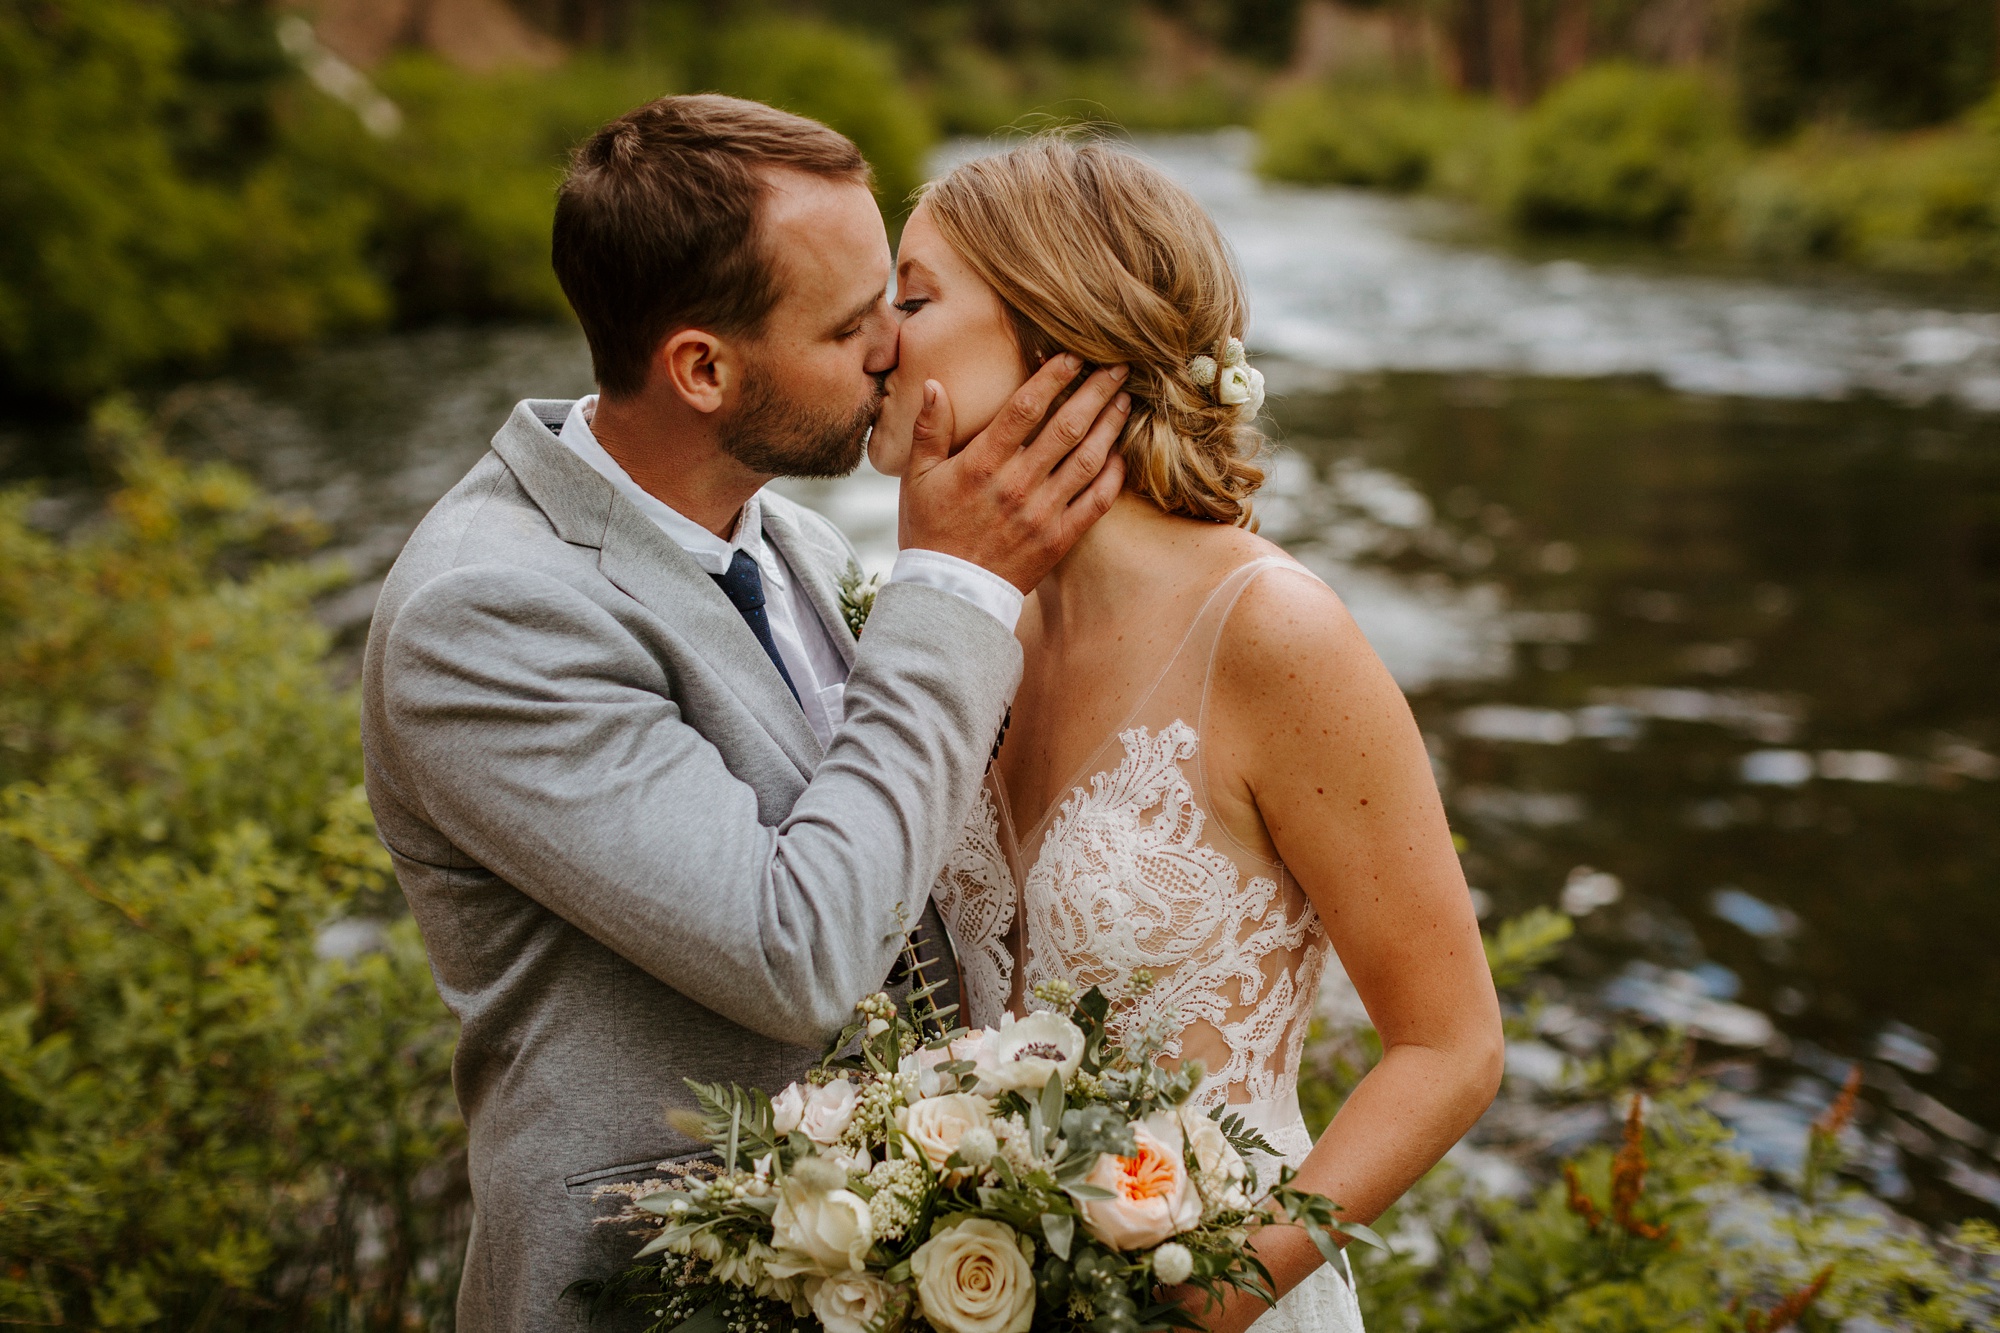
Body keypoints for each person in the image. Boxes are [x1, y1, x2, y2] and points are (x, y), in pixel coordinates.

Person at [359, 97, 1130, 1331]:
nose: (895, 345)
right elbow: (798, 953)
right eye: (849, 323)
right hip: (647, 1285)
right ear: (703, 369)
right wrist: (957, 584)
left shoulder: (790, 536)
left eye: (896, 295)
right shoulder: (485, 613)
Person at [876, 137, 1507, 1332]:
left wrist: (1207, 1297)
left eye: (910, 298)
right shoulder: (961, 621)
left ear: (1051, 328)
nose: (873, 336)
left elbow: (1450, 1047)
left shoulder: (1274, 632)